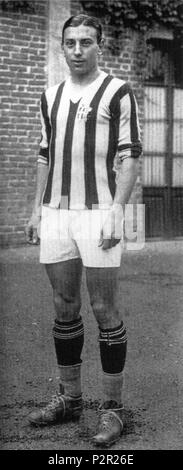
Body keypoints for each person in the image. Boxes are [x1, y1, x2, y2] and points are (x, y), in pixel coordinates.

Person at [25, 13, 142, 447]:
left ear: (100, 46)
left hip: (98, 212)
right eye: (70, 42)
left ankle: (112, 411)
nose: (78, 50)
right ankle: (69, 398)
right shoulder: (49, 96)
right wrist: (37, 209)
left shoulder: (117, 91)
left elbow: (130, 155)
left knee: (103, 308)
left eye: (86, 42)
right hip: (57, 211)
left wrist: (117, 210)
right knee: (63, 304)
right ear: (62, 46)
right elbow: (43, 154)